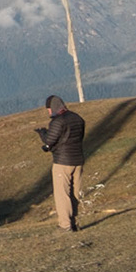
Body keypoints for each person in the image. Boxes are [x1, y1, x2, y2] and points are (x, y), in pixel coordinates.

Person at [36, 95, 86, 232]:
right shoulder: (77, 118)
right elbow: (79, 137)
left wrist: (42, 134)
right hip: (78, 160)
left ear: (52, 108)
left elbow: (50, 141)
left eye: (48, 109)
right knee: (75, 193)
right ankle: (74, 223)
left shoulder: (58, 122)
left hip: (62, 162)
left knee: (62, 194)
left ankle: (65, 225)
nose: (48, 112)